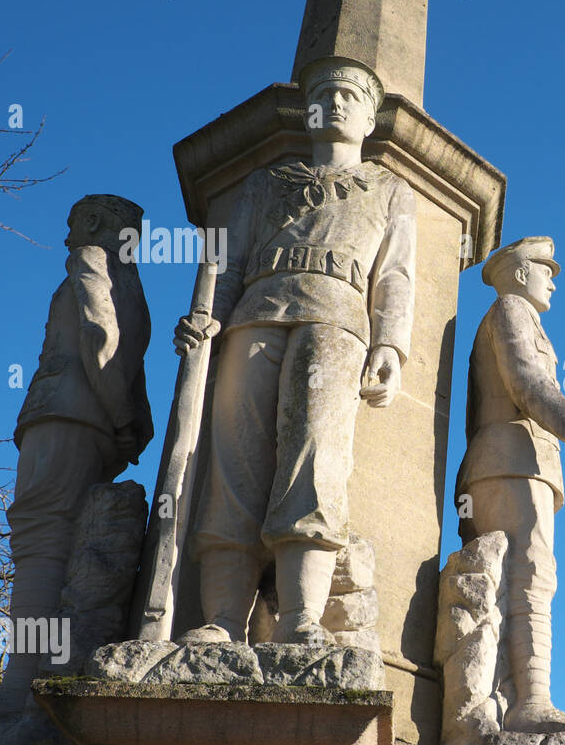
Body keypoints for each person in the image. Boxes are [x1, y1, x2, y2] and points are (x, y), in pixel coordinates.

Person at [173, 56, 415, 645]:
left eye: (348, 96)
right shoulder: (265, 183)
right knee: (235, 465)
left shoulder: (388, 189)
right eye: (324, 93)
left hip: (337, 321)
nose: (334, 103)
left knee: (316, 458)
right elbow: (224, 266)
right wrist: (207, 320)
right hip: (253, 317)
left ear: (369, 117)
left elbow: (396, 277)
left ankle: (301, 614)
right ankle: (224, 619)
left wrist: (391, 344)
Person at [0, 194, 151, 715]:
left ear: (94, 222)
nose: (66, 238)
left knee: (41, 539)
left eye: (74, 224)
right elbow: (132, 369)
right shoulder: (137, 288)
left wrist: (121, 418)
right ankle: (48, 671)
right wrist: (127, 424)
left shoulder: (91, 261)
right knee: (65, 542)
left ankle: (19, 686)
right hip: (97, 426)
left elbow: (98, 337)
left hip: (61, 415)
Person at [455, 237, 565, 732]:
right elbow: (526, 381)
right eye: (545, 269)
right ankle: (529, 702)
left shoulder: (523, 316)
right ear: (521, 271)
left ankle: (520, 696)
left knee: (530, 577)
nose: (552, 279)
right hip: (508, 461)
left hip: (519, 462)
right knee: (529, 575)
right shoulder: (510, 308)